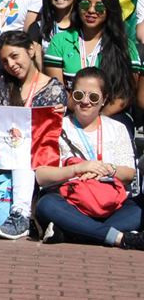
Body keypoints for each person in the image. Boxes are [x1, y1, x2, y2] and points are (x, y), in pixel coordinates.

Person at [0, 31, 66, 239]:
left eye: (14, 56)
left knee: (24, 158)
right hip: (0, 146)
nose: (10, 64)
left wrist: (59, 114)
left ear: (30, 50)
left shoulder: (53, 89)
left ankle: (21, 214)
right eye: (4, 60)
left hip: (29, 152)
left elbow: (48, 135)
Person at [34, 68, 144, 249]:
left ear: (104, 99)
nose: (85, 101)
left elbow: (129, 173)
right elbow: (41, 175)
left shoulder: (117, 128)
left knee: (139, 211)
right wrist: (78, 169)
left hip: (112, 205)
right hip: (71, 204)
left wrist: (106, 169)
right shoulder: (57, 126)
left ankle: (72, 232)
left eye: (93, 97)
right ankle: (120, 239)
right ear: (71, 95)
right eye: (79, 95)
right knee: (46, 205)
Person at [44, 0, 142, 125]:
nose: (91, 10)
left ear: (109, 10)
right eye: (85, 4)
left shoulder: (125, 46)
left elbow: (125, 94)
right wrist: (83, 115)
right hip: (72, 113)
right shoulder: (60, 41)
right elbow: (58, 89)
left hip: (112, 116)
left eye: (100, 7)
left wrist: (99, 118)